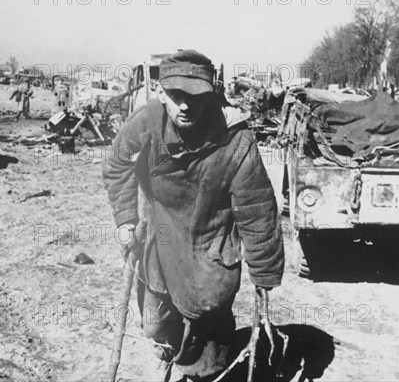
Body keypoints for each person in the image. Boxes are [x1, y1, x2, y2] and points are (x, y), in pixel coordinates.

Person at [102, 50, 284, 382]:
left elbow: (257, 209)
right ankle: (167, 355)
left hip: (210, 250)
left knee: (208, 349)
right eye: (176, 96)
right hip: (160, 241)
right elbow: (117, 163)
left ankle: (204, 371)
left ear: (212, 94)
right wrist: (126, 219)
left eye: (196, 96)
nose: (185, 105)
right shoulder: (146, 121)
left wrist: (264, 273)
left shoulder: (236, 139)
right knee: (159, 328)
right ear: (160, 92)